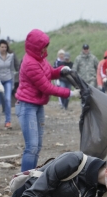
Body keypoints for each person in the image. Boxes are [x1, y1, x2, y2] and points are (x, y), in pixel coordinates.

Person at [16, 29, 78, 171]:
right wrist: (70, 93)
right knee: (31, 147)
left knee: (37, 147)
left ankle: (31, 177)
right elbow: (46, 87)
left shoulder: (40, 58)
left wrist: (61, 70)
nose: (45, 48)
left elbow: (49, 73)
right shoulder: (30, 63)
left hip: (37, 105)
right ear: (36, 46)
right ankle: (23, 182)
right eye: (43, 46)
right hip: (27, 106)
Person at [0, 40, 16, 131]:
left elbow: (12, 69)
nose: (3, 49)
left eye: (5, 47)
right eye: (2, 47)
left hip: (8, 80)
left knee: (8, 99)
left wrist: (12, 83)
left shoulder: (11, 56)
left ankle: (8, 121)